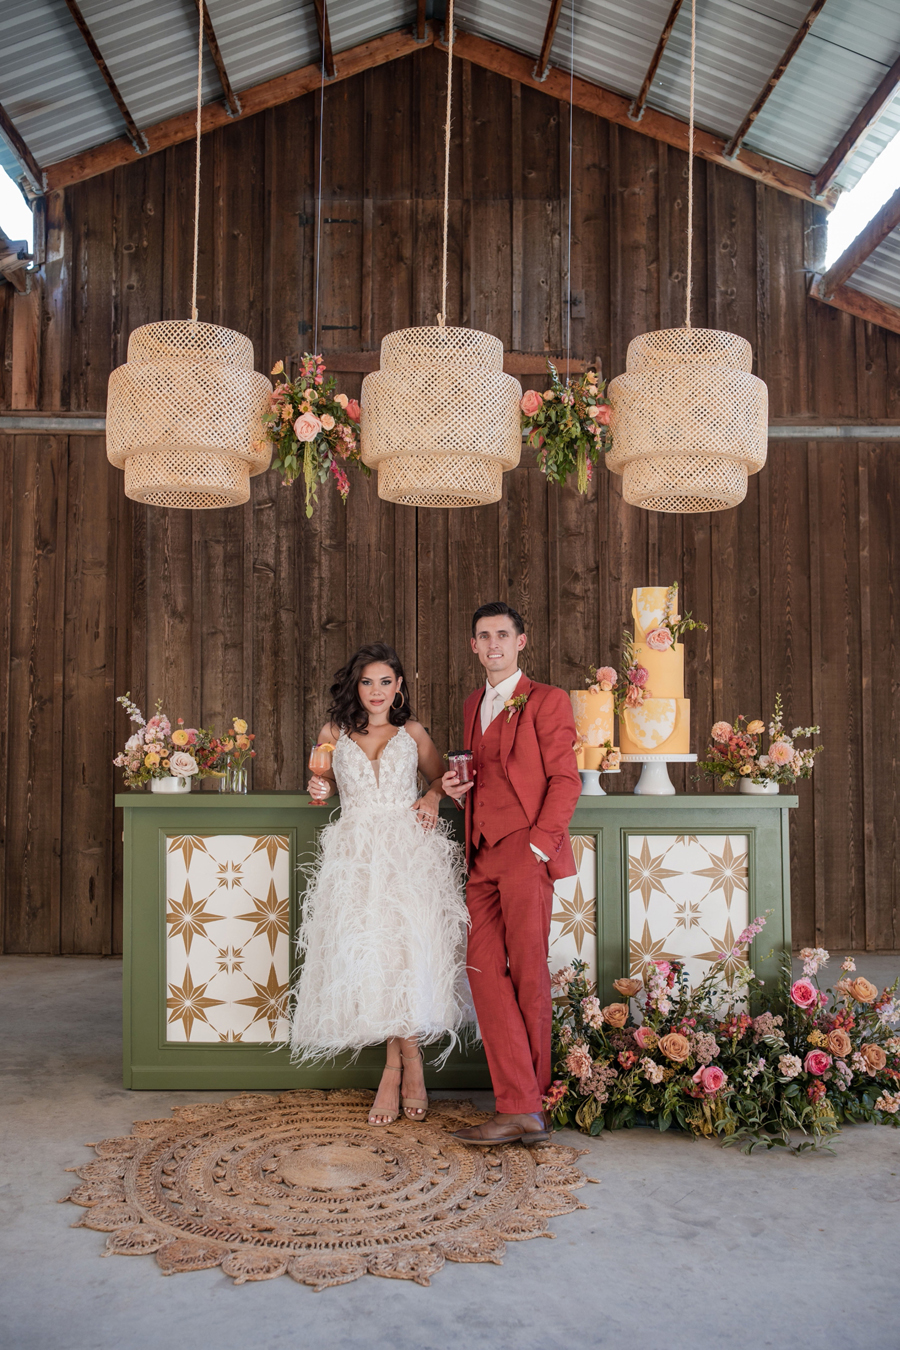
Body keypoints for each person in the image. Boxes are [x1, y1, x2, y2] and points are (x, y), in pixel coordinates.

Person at [289, 642, 470, 1128]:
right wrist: (319, 787)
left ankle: (395, 1071)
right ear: (356, 686)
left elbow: (443, 779)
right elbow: (323, 783)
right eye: (367, 682)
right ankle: (409, 1060)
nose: (376, 691)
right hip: (356, 858)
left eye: (385, 682)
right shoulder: (332, 733)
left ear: (399, 686)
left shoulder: (412, 733)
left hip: (407, 855)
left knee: (404, 956)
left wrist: (432, 796)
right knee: (377, 959)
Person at [442, 603, 581, 1146]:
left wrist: (540, 846)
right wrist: (455, 792)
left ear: (521, 642)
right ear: (473, 646)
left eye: (503, 634)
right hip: (481, 854)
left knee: (528, 974)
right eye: (484, 636)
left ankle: (528, 1106)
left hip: (525, 852)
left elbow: (565, 780)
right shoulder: (471, 703)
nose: (493, 644)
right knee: (481, 969)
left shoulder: (548, 699)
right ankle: (524, 1106)